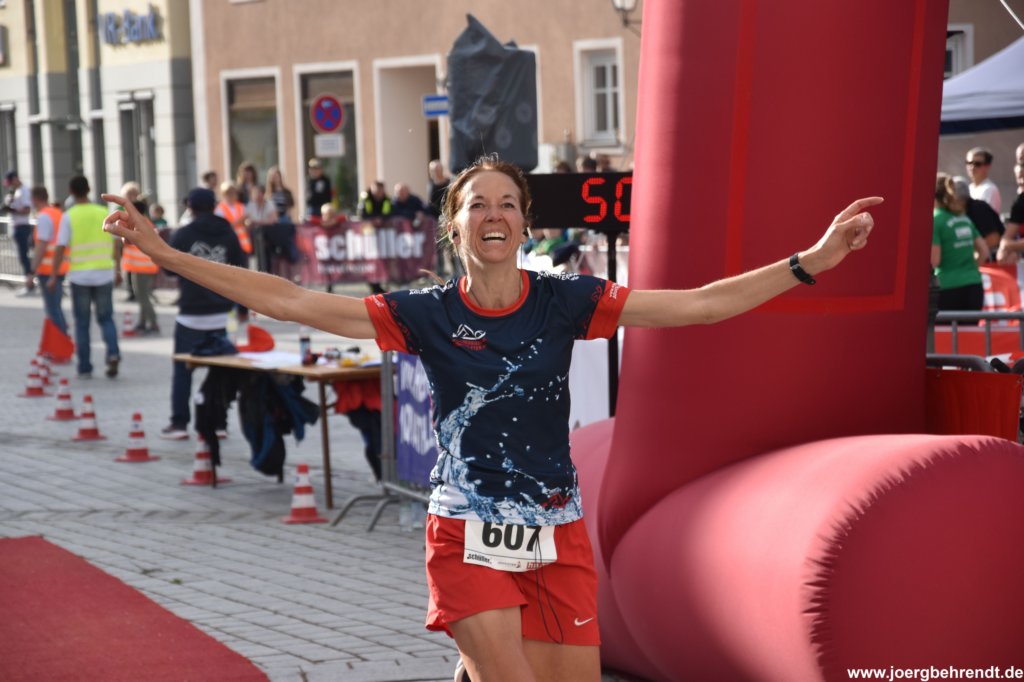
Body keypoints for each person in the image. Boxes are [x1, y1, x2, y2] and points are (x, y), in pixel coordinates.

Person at [103, 155, 879, 682]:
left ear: (525, 225)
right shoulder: (429, 313)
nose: (495, 214)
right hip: (466, 529)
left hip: (556, 531)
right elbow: (295, 300)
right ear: (456, 226)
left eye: (509, 203)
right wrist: (167, 255)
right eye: (479, 204)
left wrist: (808, 262)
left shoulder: (566, 299)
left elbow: (701, 306)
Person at [159, 188, 248, 440]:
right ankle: (219, 424)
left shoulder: (184, 233)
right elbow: (242, 271)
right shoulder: (228, 232)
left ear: (191, 207)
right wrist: (242, 307)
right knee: (220, 371)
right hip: (223, 314)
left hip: (191, 315)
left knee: (183, 371)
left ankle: (179, 424)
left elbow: (169, 269)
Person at [65, 175, 122, 379]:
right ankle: (113, 353)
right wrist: (117, 269)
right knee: (106, 318)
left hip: (79, 276)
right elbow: (116, 242)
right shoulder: (102, 212)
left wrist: (55, 274)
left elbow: (61, 245)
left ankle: (84, 366)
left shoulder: (69, 216)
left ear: (71, 192)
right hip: (104, 273)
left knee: (82, 323)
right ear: (89, 190)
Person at [933, 173, 989, 315]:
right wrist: (969, 269)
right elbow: (984, 252)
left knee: (947, 330)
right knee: (969, 329)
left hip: (948, 288)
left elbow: (934, 261)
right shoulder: (964, 219)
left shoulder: (936, 220)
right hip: (974, 285)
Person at [28, 186, 69, 334]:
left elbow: (42, 245)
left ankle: (61, 342)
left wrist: (32, 271)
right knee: (56, 308)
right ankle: (63, 339)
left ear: (35, 198)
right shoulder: (57, 213)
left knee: (52, 310)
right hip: (60, 266)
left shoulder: (44, 217)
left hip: (48, 270)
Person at [121, 198, 161, 336]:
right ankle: (143, 323)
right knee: (143, 296)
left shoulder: (136, 224)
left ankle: (153, 323)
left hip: (141, 267)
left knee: (142, 297)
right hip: (147, 266)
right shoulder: (146, 223)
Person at [952, 175, 1003, 258]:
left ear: (959, 200)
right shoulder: (960, 212)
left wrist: (966, 252)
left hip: (994, 257)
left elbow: (993, 239)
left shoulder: (978, 209)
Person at [3, 170, 36, 296]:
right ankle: (29, 282)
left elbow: (27, 210)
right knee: (23, 257)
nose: (10, 185)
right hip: (17, 226)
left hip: (23, 227)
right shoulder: (16, 191)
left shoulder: (24, 191)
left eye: (11, 182)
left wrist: (12, 210)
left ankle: (30, 283)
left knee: (24, 256)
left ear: (15, 179)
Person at [965, 146, 1001, 215]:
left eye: (977, 164)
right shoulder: (969, 188)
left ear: (988, 166)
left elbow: (984, 215)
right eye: (969, 163)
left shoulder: (990, 189)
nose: (972, 167)